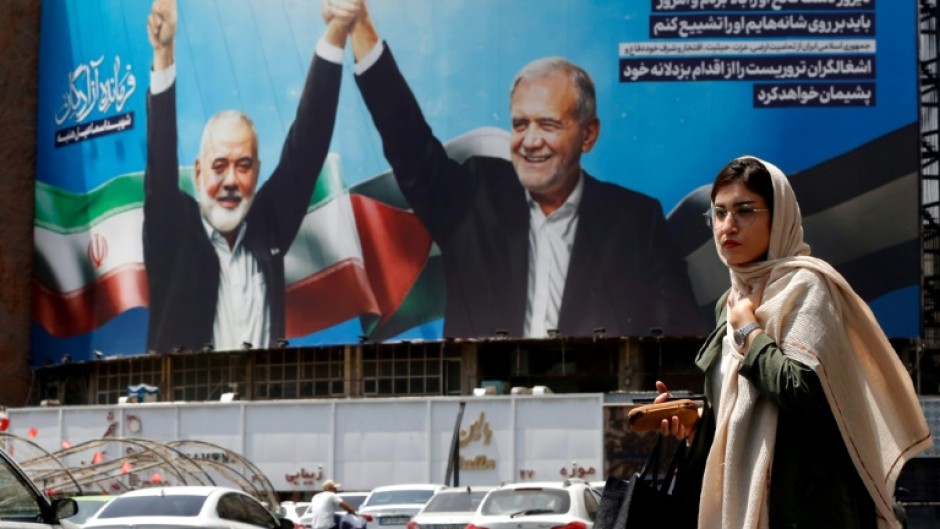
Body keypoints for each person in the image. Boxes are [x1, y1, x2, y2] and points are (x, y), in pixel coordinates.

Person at [322, 0, 704, 339]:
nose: (530, 140)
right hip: (483, 416)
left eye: (548, 125)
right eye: (520, 124)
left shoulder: (635, 220)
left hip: (594, 414)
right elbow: (408, 142)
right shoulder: (475, 196)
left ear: (588, 135)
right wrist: (362, 30)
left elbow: (679, 334)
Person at [654, 156, 932, 529]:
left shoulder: (807, 287)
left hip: (806, 509)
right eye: (719, 213)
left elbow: (798, 390)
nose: (728, 226)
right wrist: (697, 426)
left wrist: (748, 332)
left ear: (779, 215)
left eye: (744, 211)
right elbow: (740, 412)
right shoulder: (732, 301)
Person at [143, 0, 361, 352]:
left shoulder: (267, 227)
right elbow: (160, 159)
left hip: (260, 404)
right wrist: (164, 53)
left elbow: (307, 148)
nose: (231, 180)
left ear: (256, 174)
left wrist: (336, 31)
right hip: (187, 405)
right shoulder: (174, 229)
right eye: (219, 166)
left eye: (243, 166)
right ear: (198, 173)